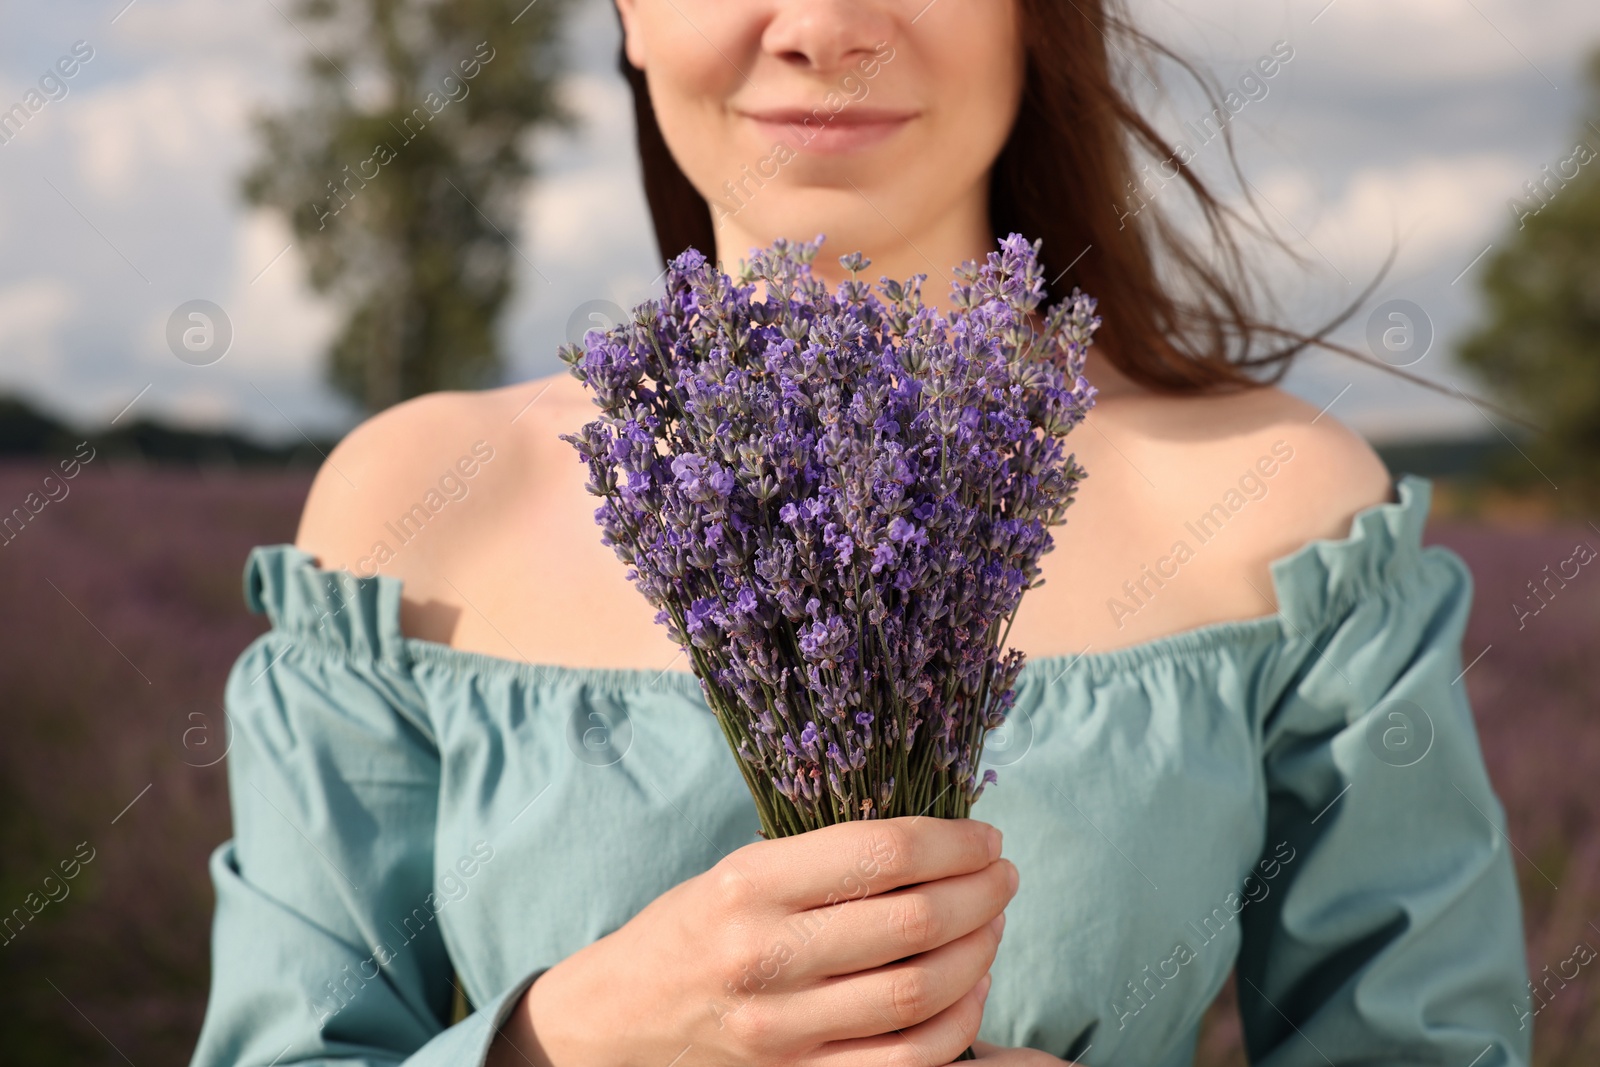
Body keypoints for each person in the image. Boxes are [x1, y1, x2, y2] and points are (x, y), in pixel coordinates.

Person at [188, 1, 1532, 1065]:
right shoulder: (416, 511)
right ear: (628, 11)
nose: (823, 23)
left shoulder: (1279, 508)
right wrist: (564, 1042)